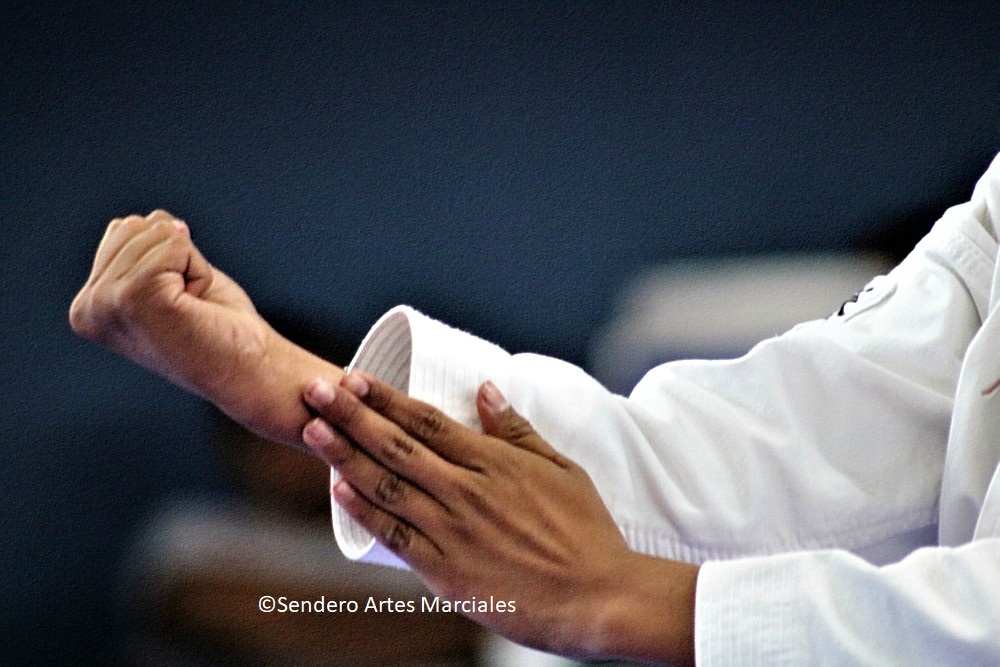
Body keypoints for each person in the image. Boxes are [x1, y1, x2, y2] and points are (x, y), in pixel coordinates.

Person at [69, 153, 1000, 664]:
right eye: (266, 444)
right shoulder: (191, 539)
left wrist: (625, 595)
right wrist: (292, 380)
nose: (281, 458)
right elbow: (782, 452)